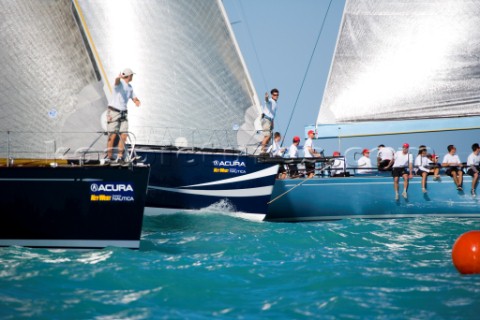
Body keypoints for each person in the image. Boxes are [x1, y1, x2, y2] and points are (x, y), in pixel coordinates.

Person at [106, 68, 141, 162]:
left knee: (124, 135)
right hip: (114, 112)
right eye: (132, 75)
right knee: (112, 136)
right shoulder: (119, 84)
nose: (132, 77)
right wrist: (118, 77)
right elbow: (116, 81)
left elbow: (134, 97)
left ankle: (120, 156)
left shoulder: (130, 87)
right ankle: (109, 157)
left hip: (124, 113)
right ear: (129, 76)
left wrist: (137, 101)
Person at [260, 88, 279, 153]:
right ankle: (262, 151)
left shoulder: (275, 103)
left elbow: (272, 114)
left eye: (277, 95)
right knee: (267, 136)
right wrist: (266, 97)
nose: (276, 96)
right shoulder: (270, 100)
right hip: (266, 119)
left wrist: (272, 123)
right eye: (274, 95)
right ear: (272, 95)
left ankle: (265, 150)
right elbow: (267, 100)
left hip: (270, 121)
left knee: (270, 137)